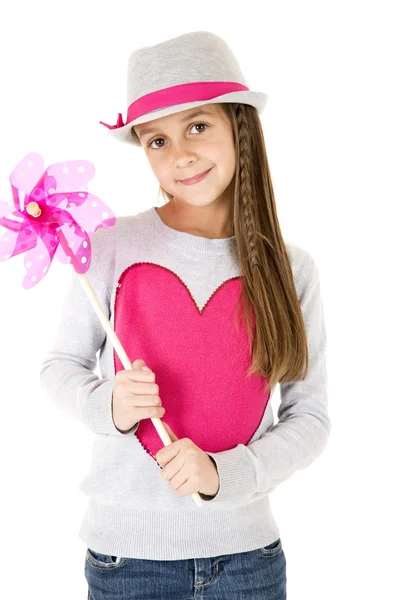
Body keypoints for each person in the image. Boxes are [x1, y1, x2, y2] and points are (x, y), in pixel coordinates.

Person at [39, 30, 330, 600]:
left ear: (239, 127)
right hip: (128, 561)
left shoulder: (292, 269)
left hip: (249, 561)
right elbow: (59, 367)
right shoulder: (108, 246)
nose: (181, 155)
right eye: (157, 141)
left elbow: (310, 419)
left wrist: (225, 475)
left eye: (198, 126)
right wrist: (109, 403)